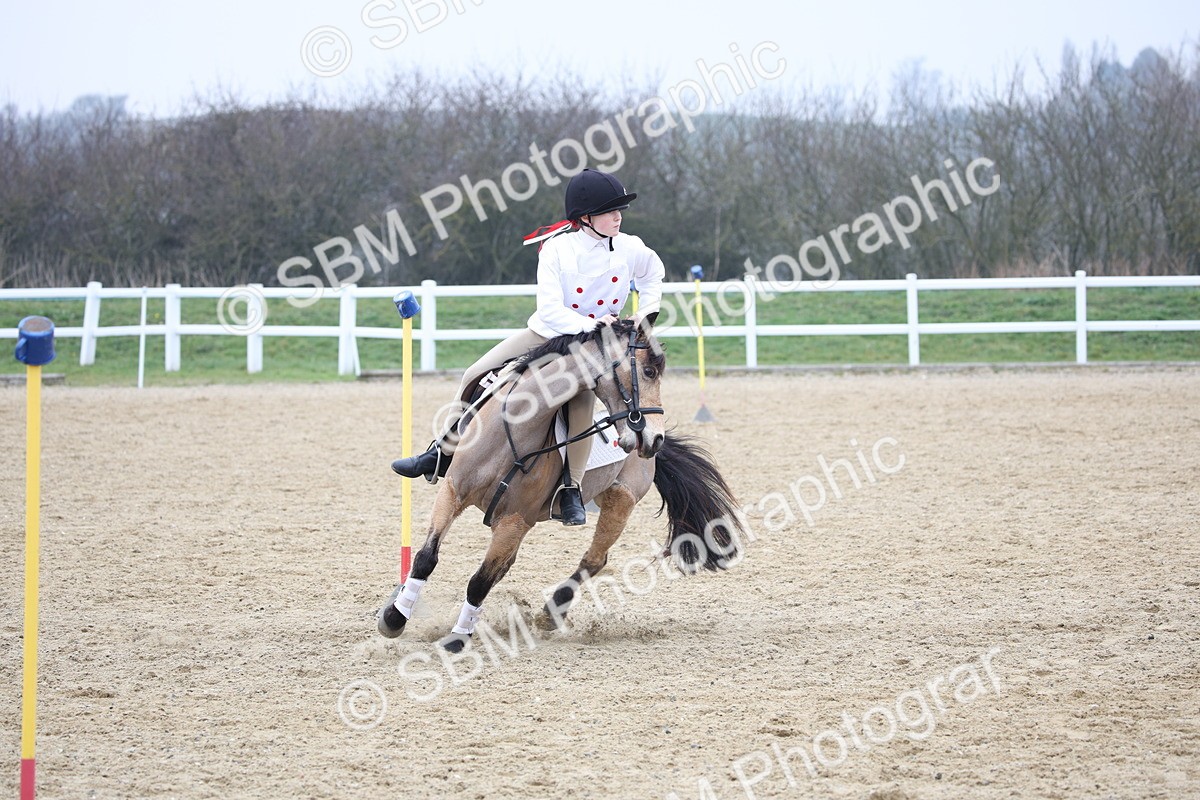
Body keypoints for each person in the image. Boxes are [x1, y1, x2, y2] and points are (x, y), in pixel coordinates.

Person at [391, 168, 664, 525]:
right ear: (585, 218)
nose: (618, 217)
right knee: (475, 373)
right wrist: (593, 324)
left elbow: (652, 272)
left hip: (595, 348)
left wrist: (644, 316)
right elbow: (551, 310)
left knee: (579, 407)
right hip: (550, 332)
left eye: (619, 211)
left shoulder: (630, 246)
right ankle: (441, 453)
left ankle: (571, 489)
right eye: (610, 211)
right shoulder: (556, 249)